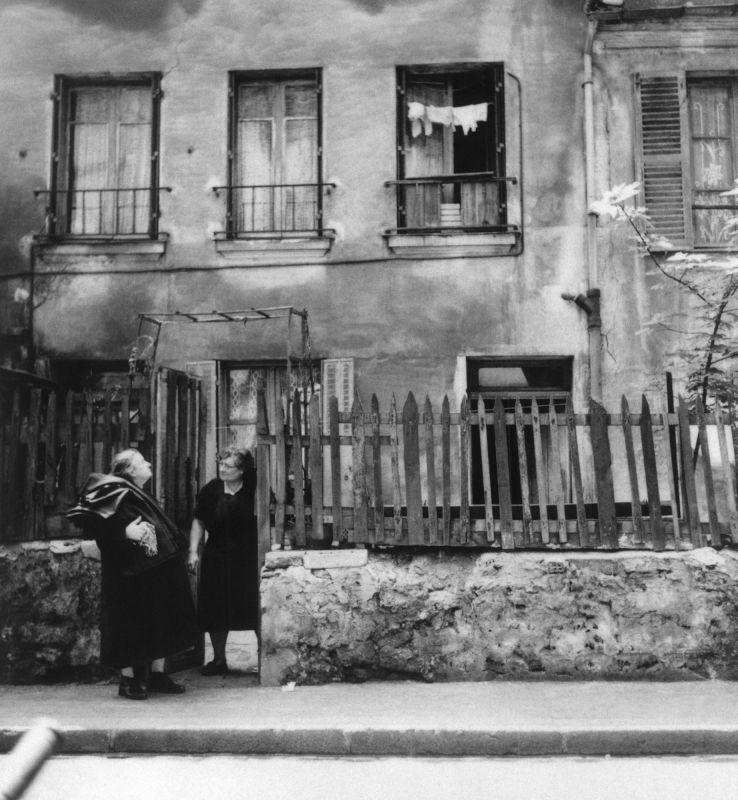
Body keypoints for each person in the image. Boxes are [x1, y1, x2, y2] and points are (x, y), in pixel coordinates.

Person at [66, 449, 197, 700]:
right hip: (126, 573)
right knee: (126, 624)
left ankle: (158, 675)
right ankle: (127, 680)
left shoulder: (135, 491)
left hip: (154, 569)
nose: (148, 463)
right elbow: (96, 528)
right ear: (130, 470)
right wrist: (123, 534)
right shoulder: (111, 489)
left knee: (161, 618)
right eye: (141, 462)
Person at [188, 448, 258, 675]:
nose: (222, 469)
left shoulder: (255, 488)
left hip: (247, 557)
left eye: (228, 466)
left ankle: (263, 658)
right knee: (215, 608)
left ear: (243, 470)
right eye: (221, 464)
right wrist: (193, 551)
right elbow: (198, 520)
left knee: (252, 606)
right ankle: (219, 660)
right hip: (217, 555)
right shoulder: (211, 489)